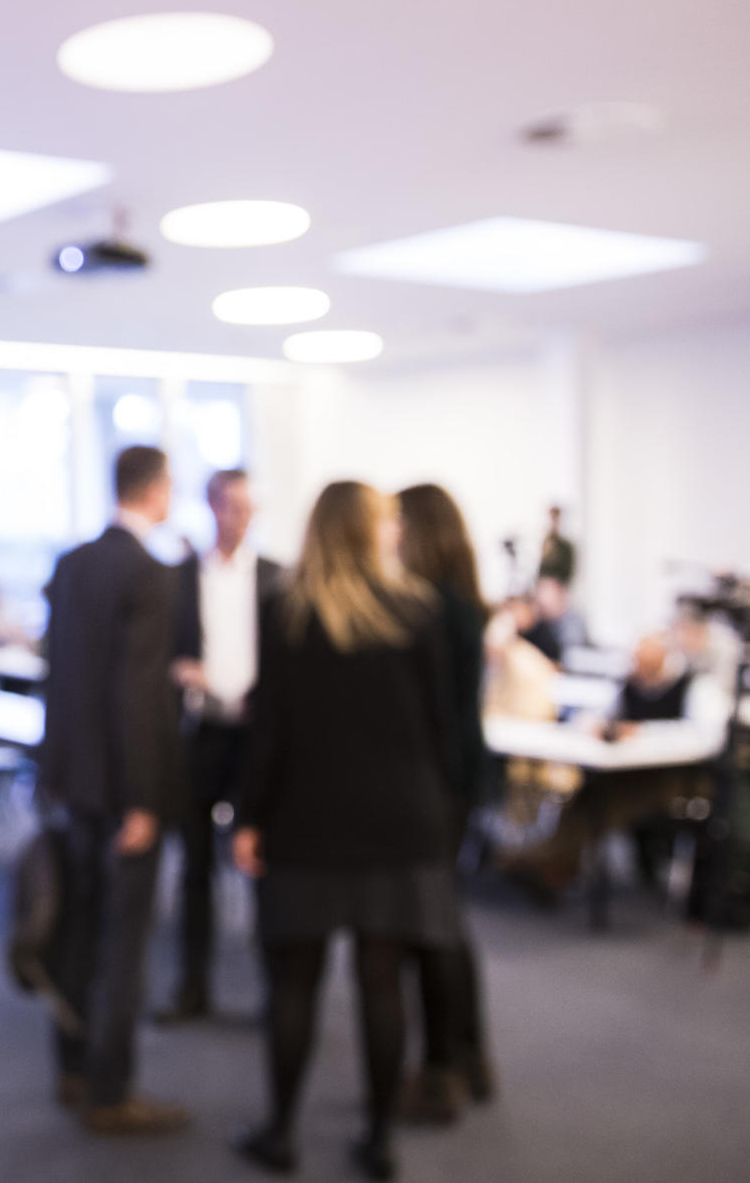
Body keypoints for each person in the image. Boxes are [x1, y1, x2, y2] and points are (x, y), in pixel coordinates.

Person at [231, 481, 457, 1180]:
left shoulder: (285, 611)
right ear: (365, 531)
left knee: (293, 984)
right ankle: (379, 1138)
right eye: (387, 520)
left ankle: (280, 1133)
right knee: (381, 980)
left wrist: (250, 816)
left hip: (307, 820)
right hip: (400, 823)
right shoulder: (418, 610)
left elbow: (269, 728)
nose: (396, 531)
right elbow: (443, 724)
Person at [38, 445, 188, 1135]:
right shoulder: (148, 572)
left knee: (76, 924)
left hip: (73, 784)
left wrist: (56, 780)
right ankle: (111, 1089)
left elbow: (58, 679)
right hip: (121, 790)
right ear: (157, 491)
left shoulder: (71, 564)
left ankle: (71, 1067)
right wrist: (144, 800)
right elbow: (138, 696)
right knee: (122, 944)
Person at [158, 469, 283, 1023]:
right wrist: (180, 670)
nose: (239, 517)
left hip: (257, 733)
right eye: (230, 506)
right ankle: (193, 985)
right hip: (204, 730)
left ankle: (274, 990)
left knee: (261, 862)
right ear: (211, 507)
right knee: (195, 865)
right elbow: (163, 651)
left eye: (248, 507)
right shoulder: (181, 577)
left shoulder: (278, 578)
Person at [394, 483, 496, 1125]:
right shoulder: (462, 605)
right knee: (445, 924)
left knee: (427, 929)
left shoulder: (431, 609)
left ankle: (441, 1070)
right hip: (453, 782)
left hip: (431, 784)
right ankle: (467, 1055)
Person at [498, 633, 720, 904]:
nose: (637, 669)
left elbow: (706, 738)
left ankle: (543, 860)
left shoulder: (695, 686)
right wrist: (595, 725)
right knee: (589, 796)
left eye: (644, 663)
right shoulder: (630, 684)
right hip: (627, 770)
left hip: (674, 779)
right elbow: (599, 714)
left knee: (605, 803)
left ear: (663, 660)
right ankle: (552, 864)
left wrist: (642, 733)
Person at [537, 504, 576, 587]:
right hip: (546, 588)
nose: (552, 523)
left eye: (555, 519)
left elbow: (567, 573)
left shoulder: (566, 546)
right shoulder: (545, 544)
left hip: (559, 588)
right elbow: (541, 572)